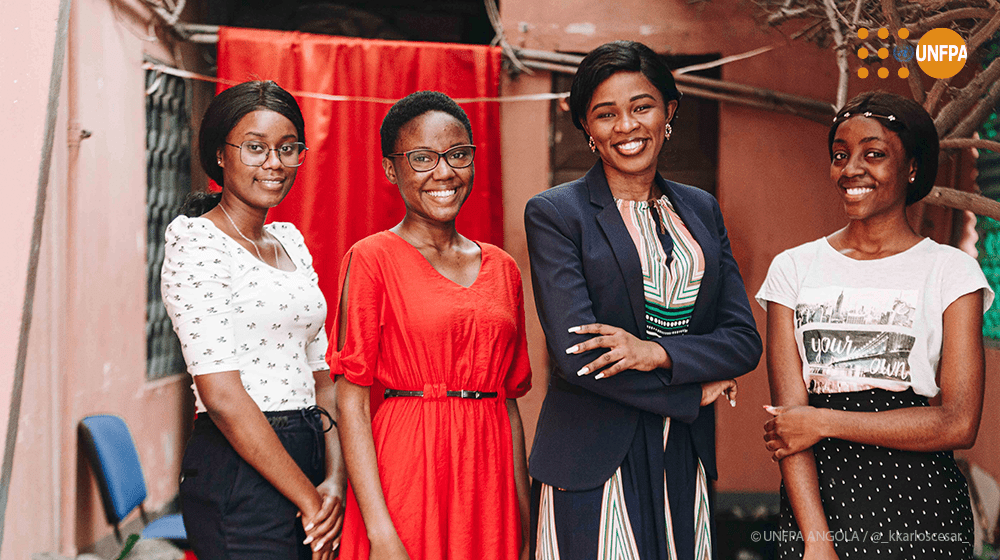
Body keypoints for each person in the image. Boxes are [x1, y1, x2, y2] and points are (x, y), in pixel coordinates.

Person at [524, 40, 762, 560]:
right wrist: (690, 393)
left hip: (683, 455)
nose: (627, 126)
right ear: (587, 128)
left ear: (669, 111)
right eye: (606, 114)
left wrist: (659, 353)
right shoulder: (557, 214)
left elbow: (743, 339)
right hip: (592, 459)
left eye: (641, 106)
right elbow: (577, 355)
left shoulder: (700, 210)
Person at [757, 91, 993, 559]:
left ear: (911, 168)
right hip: (818, 506)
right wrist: (816, 543)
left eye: (874, 154)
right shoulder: (794, 269)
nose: (851, 169)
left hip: (923, 509)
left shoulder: (950, 271)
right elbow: (789, 425)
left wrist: (821, 420)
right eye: (840, 155)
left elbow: (958, 423)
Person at [329, 90, 533, 560]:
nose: (444, 173)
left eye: (458, 155)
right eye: (422, 158)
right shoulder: (371, 259)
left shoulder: (502, 268)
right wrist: (379, 531)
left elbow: (509, 405)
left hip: (489, 478)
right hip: (409, 470)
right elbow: (352, 402)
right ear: (390, 169)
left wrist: (525, 523)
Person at [161, 80, 345, 559]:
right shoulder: (197, 243)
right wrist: (309, 500)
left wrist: (334, 480)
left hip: (310, 453)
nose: (274, 163)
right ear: (220, 155)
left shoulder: (289, 241)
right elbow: (221, 396)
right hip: (240, 468)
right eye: (255, 148)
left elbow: (322, 374)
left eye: (288, 149)